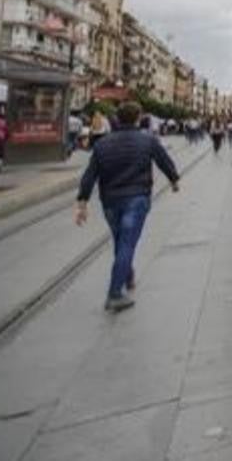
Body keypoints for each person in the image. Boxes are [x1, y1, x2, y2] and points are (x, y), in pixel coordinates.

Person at [75, 102, 181, 312]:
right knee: (127, 243)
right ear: (138, 118)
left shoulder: (102, 144)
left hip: (110, 201)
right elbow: (164, 161)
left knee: (121, 240)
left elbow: (90, 175)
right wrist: (174, 180)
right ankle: (114, 294)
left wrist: (82, 202)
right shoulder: (147, 140)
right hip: (136, 198)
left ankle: (127, 274)